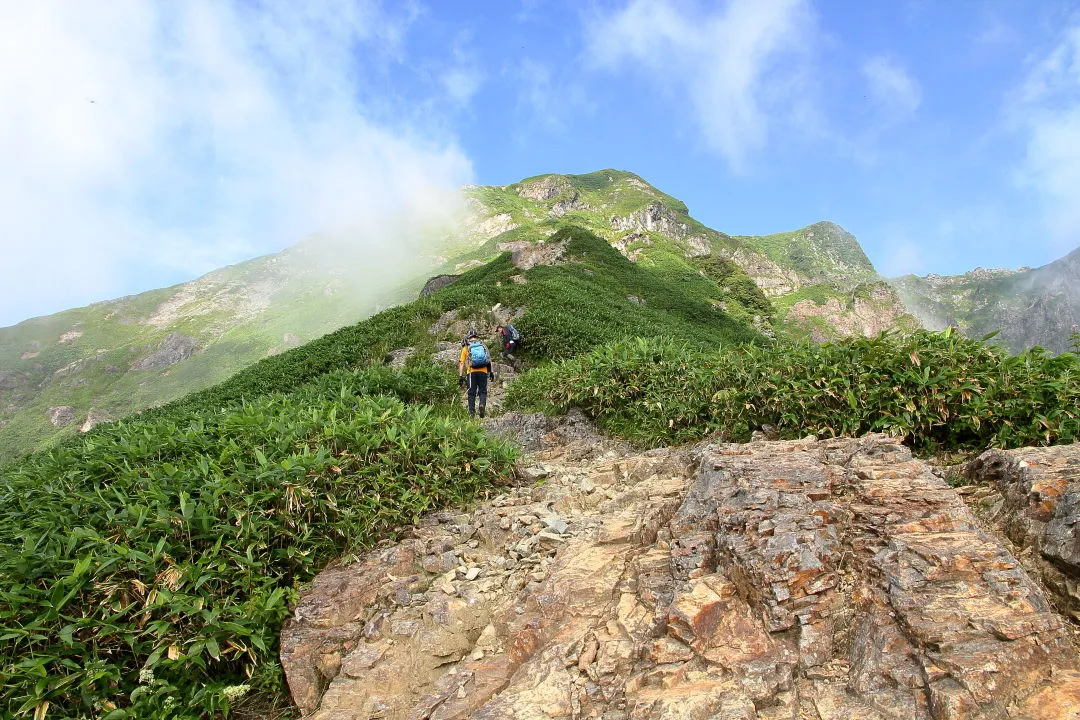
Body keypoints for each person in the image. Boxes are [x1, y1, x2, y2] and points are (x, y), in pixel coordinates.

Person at [458, 329, 494, 418]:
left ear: (468, 338)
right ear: (477, 337)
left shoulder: (466, 347)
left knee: (471, 393)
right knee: (482, 391)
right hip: (483, 371)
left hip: (471, 372)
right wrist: (491, 372)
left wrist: (460, 376)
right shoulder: (483, 346)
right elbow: (489, 359)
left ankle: (472, 413)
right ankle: (482, 405)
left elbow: (462, 362)